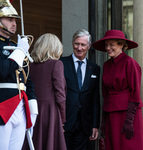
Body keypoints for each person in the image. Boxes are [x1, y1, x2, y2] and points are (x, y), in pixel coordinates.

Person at [92, 29, 143, 150]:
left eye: (112, 45)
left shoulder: (130, 63)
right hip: (111, 115)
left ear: (121, 45)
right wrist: (104, 121)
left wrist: (129, 121)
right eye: (106, 45)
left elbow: (135, 94)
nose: (108, 48)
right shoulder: (106, 65)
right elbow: (105, 95)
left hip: (127, 114)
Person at [0, 0, 38, 149]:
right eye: (9, 19)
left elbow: (27, 80)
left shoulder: (16, 46)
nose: (14, 23)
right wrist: (19, 52)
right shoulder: (18, 49)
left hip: (21, 106)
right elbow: (2, 71)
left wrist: (33, 110)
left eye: (15, 20)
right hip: (3, 106)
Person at [23, 33, 67, 150]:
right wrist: (62, 118)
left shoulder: (29, 65)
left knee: (34, 143)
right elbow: (60, 94)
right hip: (50, 111)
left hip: (32, 110)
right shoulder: (56, 64)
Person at [60, 29, 100, 150]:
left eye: (83, 45)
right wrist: (58, 119)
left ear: (89, 46)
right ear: (72, 43)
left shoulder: (95, 68)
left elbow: (95, 98)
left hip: (84, 123)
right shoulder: (61, 63)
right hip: (65, 122)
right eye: (77, 44)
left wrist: (95, 125)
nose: (79, 48)